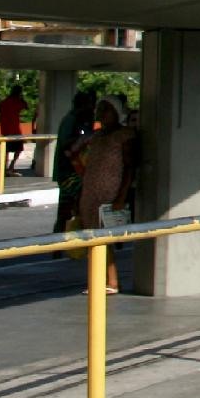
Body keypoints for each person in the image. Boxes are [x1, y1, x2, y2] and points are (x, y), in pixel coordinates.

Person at [75, 100, 138, 294]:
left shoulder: (125, 136)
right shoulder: (97, 136)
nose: (101, 114)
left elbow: (129, 167)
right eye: (99, 110)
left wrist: (122, 195)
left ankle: (111, 280)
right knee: (92, 237)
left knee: (104, 238)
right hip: (91, 192)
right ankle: (98, 279)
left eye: (106, 110)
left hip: (109, 192)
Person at [49, 88, 96, 237]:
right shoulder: (71, 120)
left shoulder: (84, 119)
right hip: (68, 171)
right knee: (68, 206)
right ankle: (60, 240)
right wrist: (84, 140)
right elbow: (66, 144)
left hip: (77, 171)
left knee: (69, 206)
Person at [0, 84, 30, 173]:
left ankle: (4, 167)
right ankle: (11, 165)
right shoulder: (18, 102)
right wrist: (22, 98)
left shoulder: (4, 102)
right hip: (15, 130)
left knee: (6, 150)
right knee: (18, 149)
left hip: (5, 130)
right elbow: (26, 106)